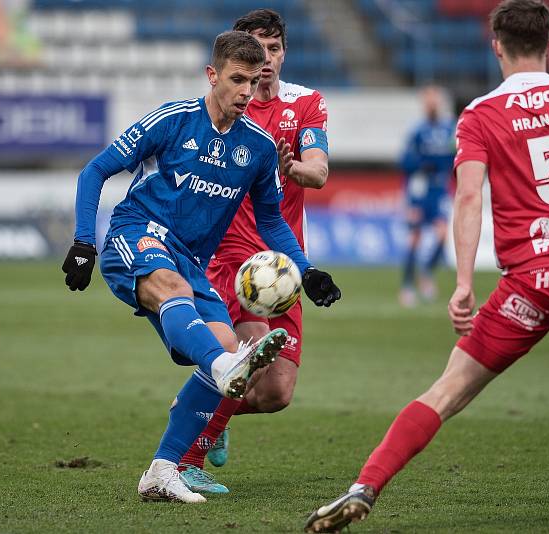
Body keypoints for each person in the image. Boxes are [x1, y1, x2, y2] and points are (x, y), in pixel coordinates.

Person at [305, 1, 549, 531]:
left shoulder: (480, 113)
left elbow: (470, 197)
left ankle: (366, 485)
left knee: (448, 389)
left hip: (533, 284)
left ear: (496, 45)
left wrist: (460, 284)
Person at [61, 30, 341, 504]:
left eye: (253, 83)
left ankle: (162, 470)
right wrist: (84, 242)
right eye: (236, 80)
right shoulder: (173, 120)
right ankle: (224, 366)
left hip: (192, 259)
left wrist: (306, 269)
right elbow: (95, 170)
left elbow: (271, 220)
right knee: (188, 310)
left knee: (227, 343)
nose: (245, 93)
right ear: (213, 75)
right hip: (139, 234)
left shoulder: (258, 146)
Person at [175, 9, 331, 494]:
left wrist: (292, 169)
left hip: (283, 265)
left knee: (276, 392)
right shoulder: (230, 101)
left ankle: (196, 408)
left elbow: (318, 171)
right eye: (256, 49)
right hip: (231, 257)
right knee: (252, 350)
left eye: (275, 48)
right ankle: (188, 455)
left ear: (285, 52)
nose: (266, 59)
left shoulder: (306, 104)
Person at [399, 86, 456, 307]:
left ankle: (426, 273)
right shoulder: (417, 131)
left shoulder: (449, 128)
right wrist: (423, 164)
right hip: (419, 190)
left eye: (435, 101)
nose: (432, 106)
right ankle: (407, 286)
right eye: (428, 102)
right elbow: (405, 162)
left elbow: (456, 156)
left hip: (439, 190)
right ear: (424, 105)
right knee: (414, 239)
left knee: (443, 235)